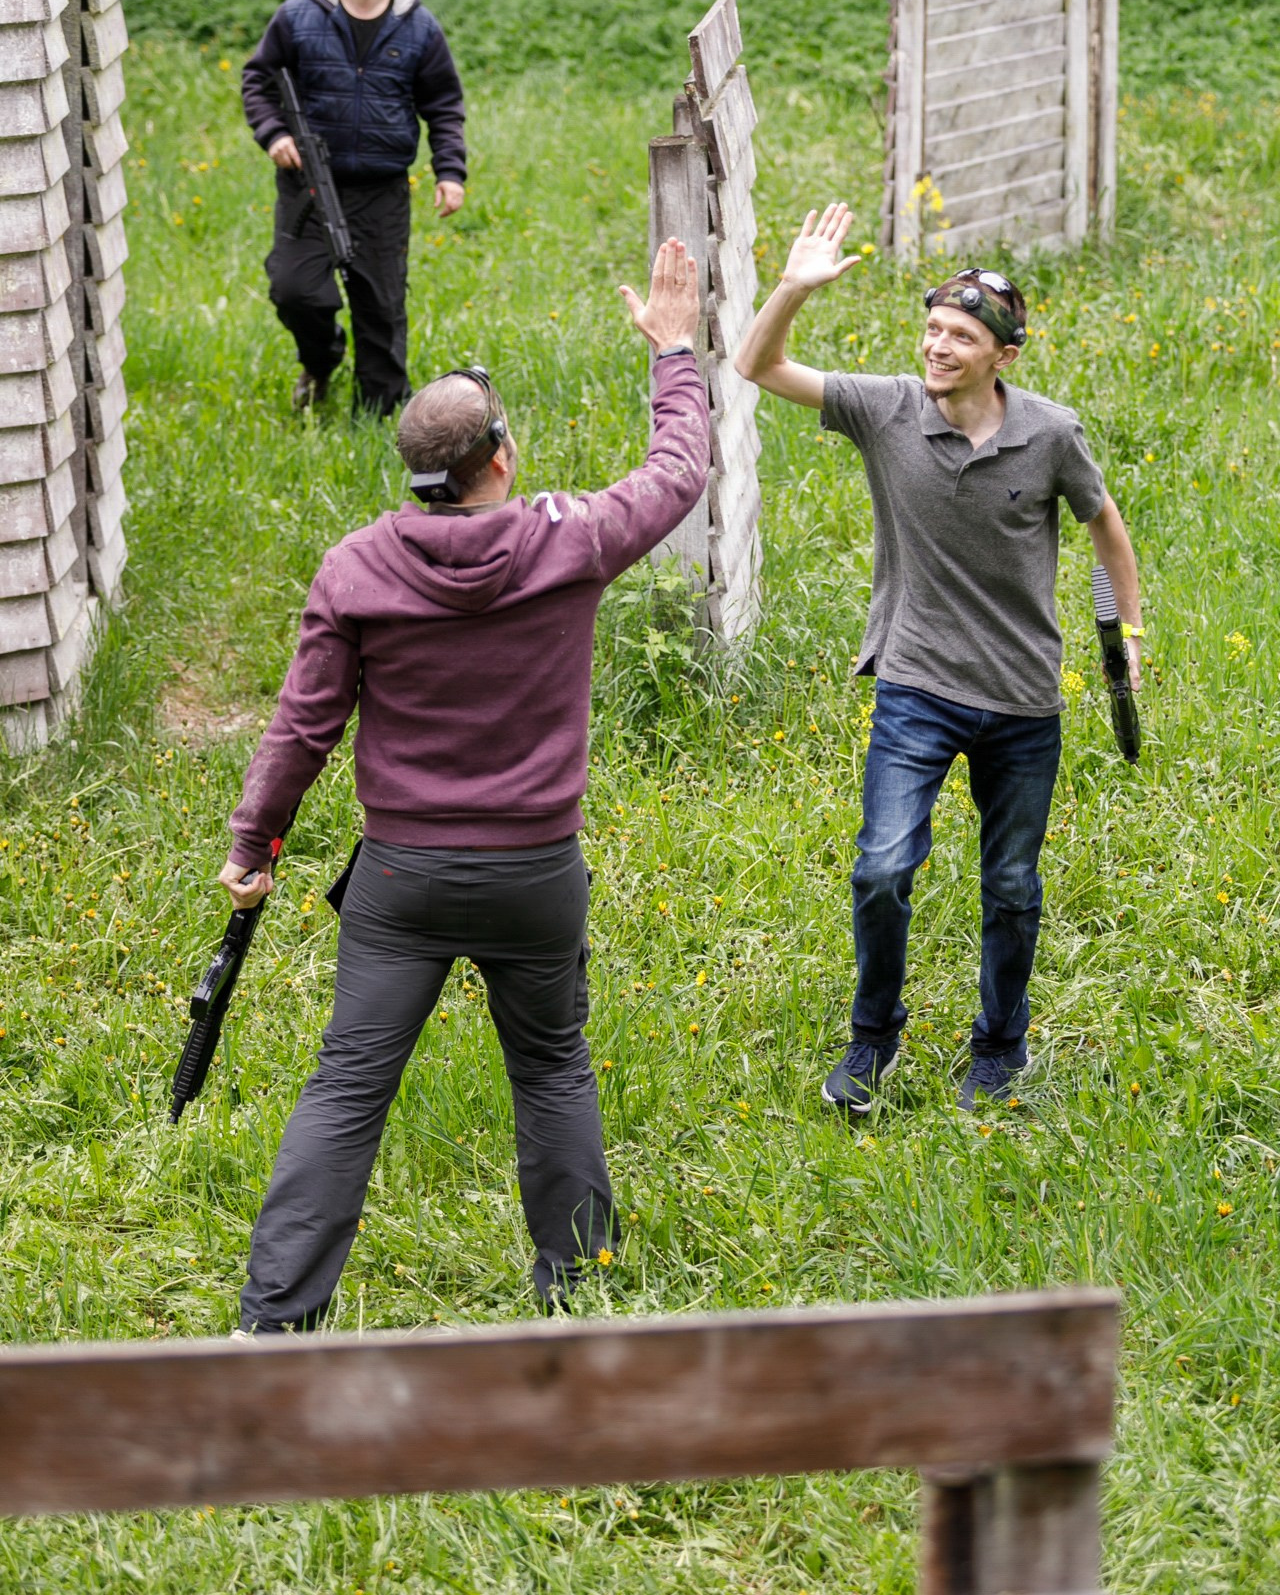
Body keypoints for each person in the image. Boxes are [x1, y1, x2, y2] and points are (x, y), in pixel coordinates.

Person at [218, 239, 709, 1325]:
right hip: (536, 874)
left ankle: (272, 1323)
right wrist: (672, 352)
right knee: (550, 1070)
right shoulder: (569, 541)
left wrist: (253, 847)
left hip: (402, 879)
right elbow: (678, 473)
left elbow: (304, 726)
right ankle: (574, 1292)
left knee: (347, 1087)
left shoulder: (356, 567)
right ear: (502, 455)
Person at [735, 204, 1143, 1115]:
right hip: (917, 683)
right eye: (931, 330)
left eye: (961, 336)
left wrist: (1130, 628)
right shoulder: (886, 410)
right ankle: (873, 1038)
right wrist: (795, 286)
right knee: (882, 867)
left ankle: (1000, 1048)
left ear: (1005, 354)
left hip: (1023, 697)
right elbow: (758, 366)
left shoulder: (1050, 434)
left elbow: (1104, 524)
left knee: (1010, 885)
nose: (938, 347)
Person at [242, 0, 467, 416]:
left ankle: (381, 416)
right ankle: (320, 364)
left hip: (383, 189)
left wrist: (450, 172)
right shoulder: (298, 16)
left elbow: (444, 105)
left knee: (381, 307)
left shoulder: (419, 26)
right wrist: (274, 133)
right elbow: (258, 78)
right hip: (307, 185)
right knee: (296, 292)